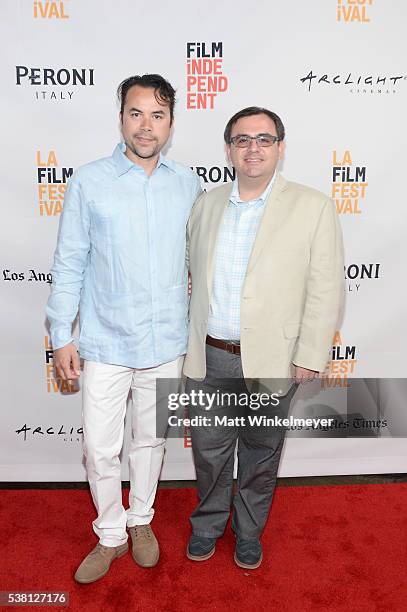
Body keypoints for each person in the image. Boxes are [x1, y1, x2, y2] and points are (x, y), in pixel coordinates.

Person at [46, 74, 201, 583]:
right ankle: (110, 532)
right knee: (99, 447)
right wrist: (60, 333)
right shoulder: (89, 181)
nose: (146, 125)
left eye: (157, 115)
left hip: (165, 343)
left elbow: (195, 262)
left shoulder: (188, 185)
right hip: (106, 340)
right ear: (121, 118)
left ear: (171, 124)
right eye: (136, 113)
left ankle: (141, 521)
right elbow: (69, 262)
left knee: (151, 442)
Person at [183, 106, 344, 569]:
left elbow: (324, 286)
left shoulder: (312, 206)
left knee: (260, 453)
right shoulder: (205, 204)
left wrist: (311, 352)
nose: (253, 148)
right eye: (243, 139)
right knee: (210, 454)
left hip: (275, 359)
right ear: (229, 148)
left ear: (280, 147)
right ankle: (208, 525)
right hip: (210, 356)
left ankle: (249, 532)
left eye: (264, 139)